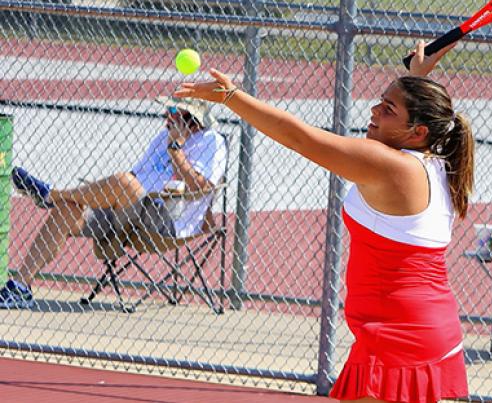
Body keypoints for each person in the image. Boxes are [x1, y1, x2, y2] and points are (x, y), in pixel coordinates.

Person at [173, 42, 474, 403]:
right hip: (420, 328)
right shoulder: (434, 162)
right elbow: (420, 115)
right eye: (381, 100)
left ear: (418, 132)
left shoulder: (388, 164)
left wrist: (231, 97)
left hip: (399, 338)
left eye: (388, 109)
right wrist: (414, 79)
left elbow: (300, 138)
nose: (375, 109)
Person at [1, 97, 227, 309]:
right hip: (129, 215)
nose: (167, 114)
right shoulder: (162, 137)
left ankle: (51, 195)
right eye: (168, 108)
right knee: (67, 210)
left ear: (191, 118)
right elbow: (137, 175)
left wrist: (176, 149)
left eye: (174, 110)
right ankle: (21, 287)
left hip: (166, 221)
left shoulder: (211, 141)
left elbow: (199, 189)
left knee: (124, 183)